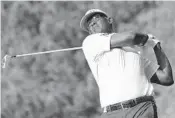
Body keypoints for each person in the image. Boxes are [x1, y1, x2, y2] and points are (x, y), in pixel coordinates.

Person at [80, 9, 174, 118]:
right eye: (88, 24)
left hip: (141, 109)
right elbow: (131, 37)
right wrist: (146, 39)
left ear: (109, 20)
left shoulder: (134, 53)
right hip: (112, 113)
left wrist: (156, 46)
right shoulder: (90, 42)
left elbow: (166, 78)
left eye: (96, 17)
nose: (92, 23)